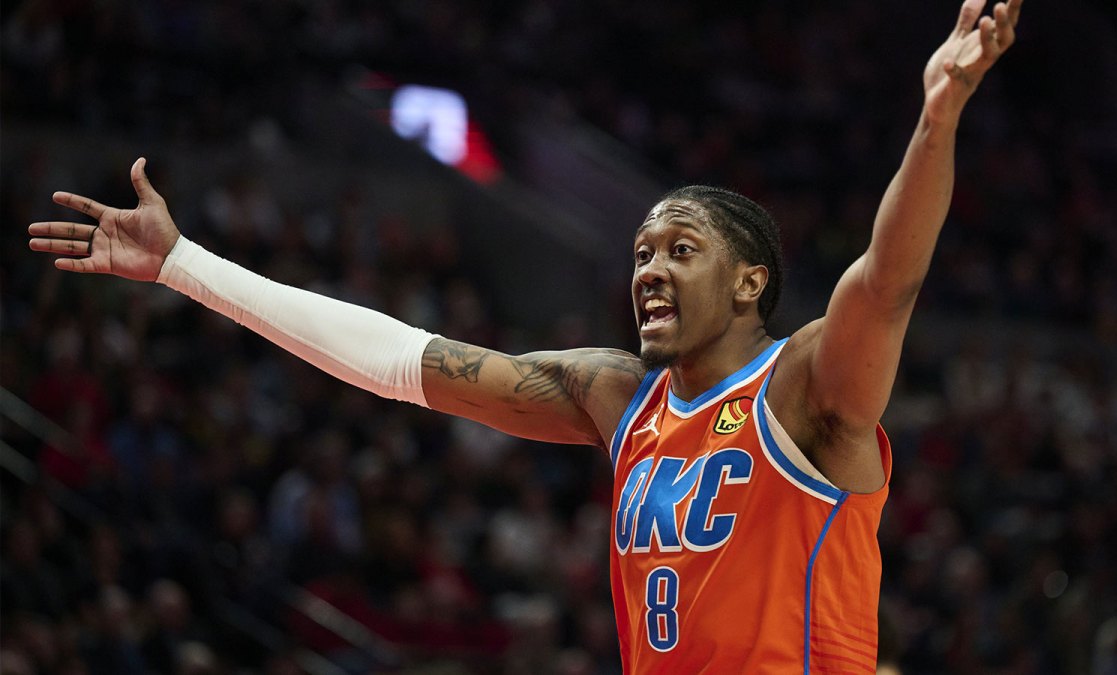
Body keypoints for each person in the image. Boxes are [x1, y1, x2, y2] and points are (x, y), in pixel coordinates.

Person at [28, 0, 1023, 671]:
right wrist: (185, 265)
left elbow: (887, 281)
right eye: (641, 251)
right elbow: (398, 359)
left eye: (681, 250)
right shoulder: (617, 397)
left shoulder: (804, 388)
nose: (649, 269)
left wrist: (938, 116)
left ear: (750, 281)